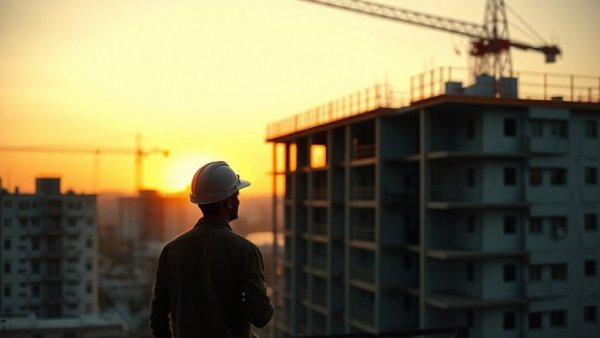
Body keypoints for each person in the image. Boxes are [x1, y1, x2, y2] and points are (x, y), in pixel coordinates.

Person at [150, 161, 273, 337]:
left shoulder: (171, 250)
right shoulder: (244, 250)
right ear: (229, 202)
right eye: (236, 195)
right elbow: (261, 317)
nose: (238, 201)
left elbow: (158, 319)